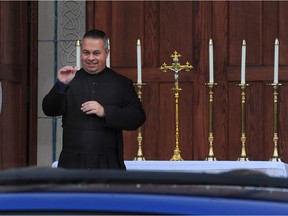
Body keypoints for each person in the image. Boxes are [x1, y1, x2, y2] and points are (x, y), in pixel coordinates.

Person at [42, 29, 146, 170]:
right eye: (86, 53)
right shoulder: (69, 80)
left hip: (108, 164)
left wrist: (105, 111)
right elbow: (49, 109)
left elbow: (137, 117)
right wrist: (61, 85)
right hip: (72, 164)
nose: (91, 58)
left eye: (96, 53)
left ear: (106, 53)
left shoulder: (121, 83)